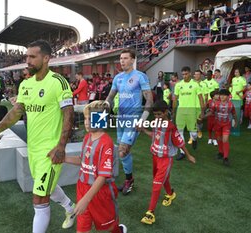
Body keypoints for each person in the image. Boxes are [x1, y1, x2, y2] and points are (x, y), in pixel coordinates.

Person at [0, 40, 76, 233]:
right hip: (33, 149)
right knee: (47, 190)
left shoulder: (58, 82)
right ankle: (71, 207)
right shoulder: (26, 84)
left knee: (39, 198)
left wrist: (61, 146)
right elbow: (17, 112)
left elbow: (69, 114)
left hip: (50, 150)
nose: (27, 61)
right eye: (27, 56)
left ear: (46, 58)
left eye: (32, 57)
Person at [63, 100, 127, 233]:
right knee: (82, 228)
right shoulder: (87, 137)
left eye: (89, 118)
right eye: (85, 118)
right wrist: (63, 158)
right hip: (82, 187)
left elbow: (103, 176)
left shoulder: (106, 143)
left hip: (100, 192)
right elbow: (83, 160)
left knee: (109, 227)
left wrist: (86, 199)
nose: (86, 122)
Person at [104, 49, 153, 195]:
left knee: (122, 150)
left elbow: (149, 99)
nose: (122, 61)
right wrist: (106, 104)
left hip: (134, 118)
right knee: (123, 151)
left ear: (132, 60)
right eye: (120, 58)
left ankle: (128, 180)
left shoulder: (140, 76)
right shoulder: (118, 78)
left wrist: (143, 119)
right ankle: (129, 179)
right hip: (121, 118)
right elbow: (111, 96)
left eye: (125, 58)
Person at [139, 100, 195, 225]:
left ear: (165, 112)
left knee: (156, 184)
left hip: (166, 159)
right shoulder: (155, 123)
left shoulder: (171, 127)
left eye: (160, 114)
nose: (157, 117)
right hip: (155, 157)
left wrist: (188, 155)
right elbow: (154, 136)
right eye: (155, 114)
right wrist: (143, 130)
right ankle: (170, 193)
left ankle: (150, 213)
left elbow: (180, 143)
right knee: (163, 179)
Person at [173, 66, 205, 150]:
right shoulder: (178, 85)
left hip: (191, 112)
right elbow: (175, 99)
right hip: (181, 112)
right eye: (183, 74)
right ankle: (182, 152)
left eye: (186, 74)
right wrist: (173, 111)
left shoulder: (195, 85)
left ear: (190, 73)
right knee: (180, 132)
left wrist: (202, 112)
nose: (184, 76)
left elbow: (201, 98)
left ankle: (194, 140)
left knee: (194, 133)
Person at [205, 89, 237, 166]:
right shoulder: (216, 104)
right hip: (218, 124)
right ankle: (220, 152)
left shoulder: (230, 105)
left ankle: (226, 158)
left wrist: (236, 122)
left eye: (224, 95)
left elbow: (234, 114)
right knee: (219, 139)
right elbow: (211, 112)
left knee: (225, 140)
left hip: (226, 124)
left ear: (227, 96)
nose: (222, 96)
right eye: (221, 95)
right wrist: (203, 116)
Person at [229, 69, 247, 136]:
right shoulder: (233, 79)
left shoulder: (242, 79)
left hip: (239, 97)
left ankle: (238, 124)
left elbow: (245, 87)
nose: (235, 73)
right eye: (235, 72)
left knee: (238, 112)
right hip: (233, 97)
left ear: (239, 73)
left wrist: (239, 92)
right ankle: (233, 126)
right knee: (232, 112)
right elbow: (232, 87)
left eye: (236, 72)